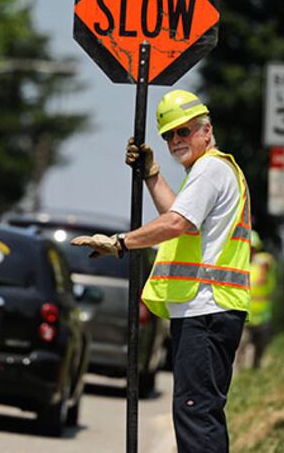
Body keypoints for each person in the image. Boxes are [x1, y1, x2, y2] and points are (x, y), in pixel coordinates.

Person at [71, 89, 251, 453]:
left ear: (206, 130)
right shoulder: (211, 171)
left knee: (196, 415)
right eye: (169, 134)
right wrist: (151, 174)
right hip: (208, 310)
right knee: (198, 411)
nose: (175, 140)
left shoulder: (210, 169)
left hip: (208, 309)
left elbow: (176, 223)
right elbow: (182, 216)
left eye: (184, 131)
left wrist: (120, 242)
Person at [237, 231, 276, 369]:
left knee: (260, 350)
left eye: (252, 247)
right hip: (243, 316)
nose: (249, 250)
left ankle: (254, 375)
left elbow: (267, 261)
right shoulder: (239, 265)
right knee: (240, 347)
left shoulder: (263, 262)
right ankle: (239, 377)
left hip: (262, 316)